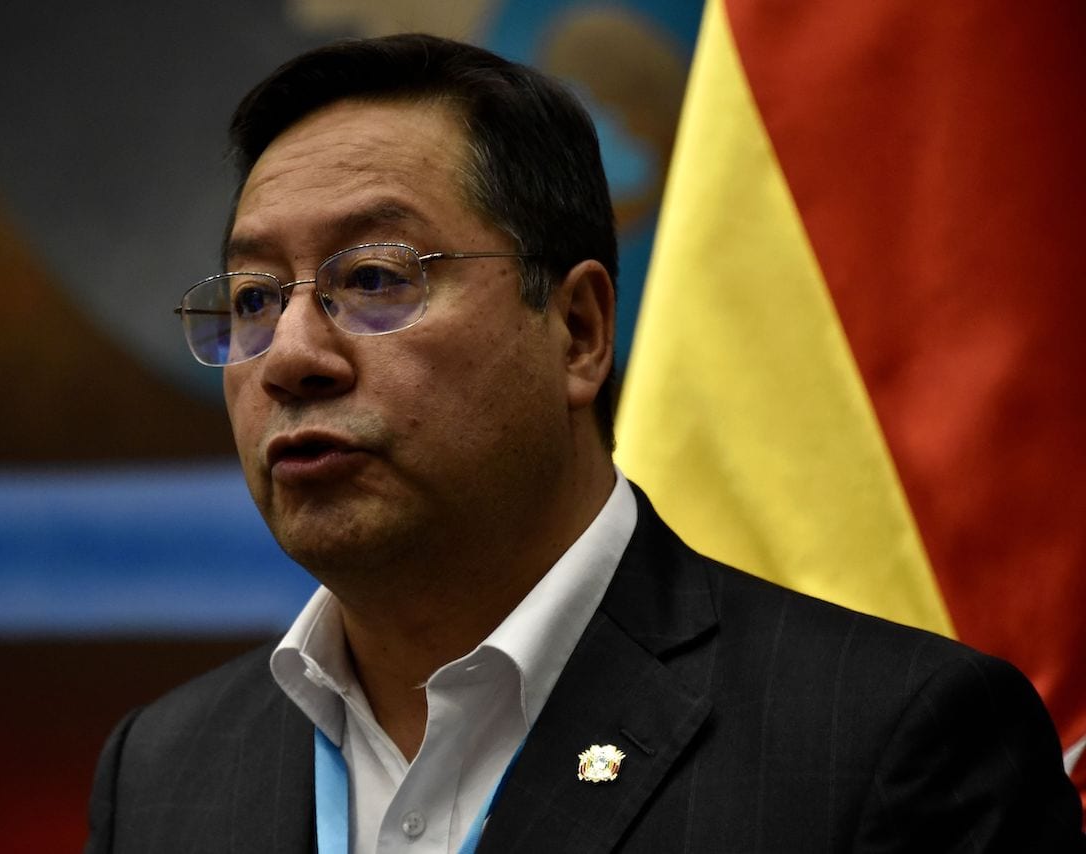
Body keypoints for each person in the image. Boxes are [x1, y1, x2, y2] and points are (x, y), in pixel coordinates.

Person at [85, 33, 1084, 852]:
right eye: (255, 297)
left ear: (578, 331)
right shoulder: (163, 773)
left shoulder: (886, 743)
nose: (291, 353)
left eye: (378, 277)